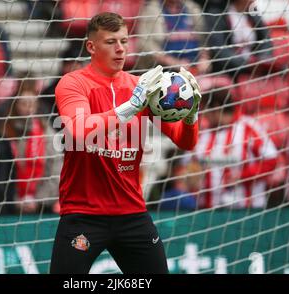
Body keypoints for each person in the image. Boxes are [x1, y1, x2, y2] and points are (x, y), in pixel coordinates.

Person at [50, 12, 201, 274]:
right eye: (110, 42)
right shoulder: (73, 83)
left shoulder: (141, 87)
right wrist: (130, 107)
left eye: (124, 41)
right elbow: (78, 130)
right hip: (83, 213)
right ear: (91, 46)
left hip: (131, 212)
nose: (120, 49)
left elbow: (185, 141)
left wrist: (191, 116)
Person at [194, 87, 278, 209]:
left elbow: (271, 160)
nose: (204, 115)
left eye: (205, 109)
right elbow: (191, 165)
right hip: (209, 208)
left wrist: (242, 175)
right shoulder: (203, 134)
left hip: (247, 208)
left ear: (216, 108)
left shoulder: (249, 127)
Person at [0, 77, 62, 214]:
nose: (28, 108)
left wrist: (39, 199)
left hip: (43, 204)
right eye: (24, 104)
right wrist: (14, 199)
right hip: (11, 204)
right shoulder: (4, 131)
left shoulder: (46, 130)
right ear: (15, 105)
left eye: (32, 104)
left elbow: (56, 168)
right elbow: (1, 172)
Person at [137, 0, 211, 74]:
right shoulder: (152, 10)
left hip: (196, 65)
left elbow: (204, 40)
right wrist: (174, 63)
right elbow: (146, 45)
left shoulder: (192, 8)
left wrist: (204, 58)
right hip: (165, 69)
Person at [204, 0, 273, 78]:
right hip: (229, 71)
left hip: (255, 68)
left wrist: (262, 59)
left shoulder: (252, 12)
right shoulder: (217, 13)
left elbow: (266, 38)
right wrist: (247, 64)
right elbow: (219, 49)